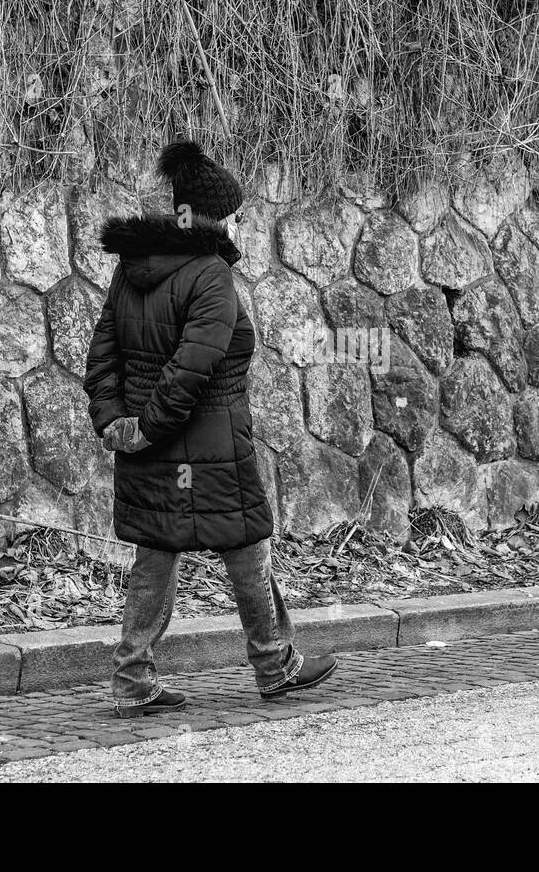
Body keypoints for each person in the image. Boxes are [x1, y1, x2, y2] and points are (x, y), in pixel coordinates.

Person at [83, 140, 337, 718]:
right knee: (247, 545)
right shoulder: (211, 276)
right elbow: (192, 367)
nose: (225, 227)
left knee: (157, 554)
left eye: (230, 217)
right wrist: (145, 428)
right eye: (218, 216)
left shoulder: (129, 272)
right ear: (184, 214)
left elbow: (103, 359)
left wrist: (118, 427)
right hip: (211, 444)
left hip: (151, 447)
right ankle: (274, 665)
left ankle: (132, 679)